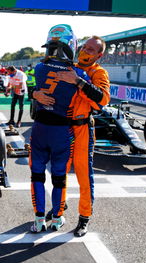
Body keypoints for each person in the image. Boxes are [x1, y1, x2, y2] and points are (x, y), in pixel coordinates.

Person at [34, 36, 110, 237]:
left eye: (91, 50)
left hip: (83, 129)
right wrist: (35, 94)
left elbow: (102, 100)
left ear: (99, 56)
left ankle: (84, 218)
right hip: (63, 129)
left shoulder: (98, 73)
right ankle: (59, 207)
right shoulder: (67, 66)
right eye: (84, 47)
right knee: (60, 172)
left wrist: (77, 81)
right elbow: (44, 87)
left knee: (84, 176)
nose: (85, 51)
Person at [29, 24, 92, 233]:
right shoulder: (80, 74)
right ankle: (57, 218)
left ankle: (38, 220)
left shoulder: (38, 68)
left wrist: (36, 94)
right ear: (71, 45)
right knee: (59, 176)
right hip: (62, 131)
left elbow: (35, 89)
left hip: (39, 128)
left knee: (37, 174)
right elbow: (95, 101)